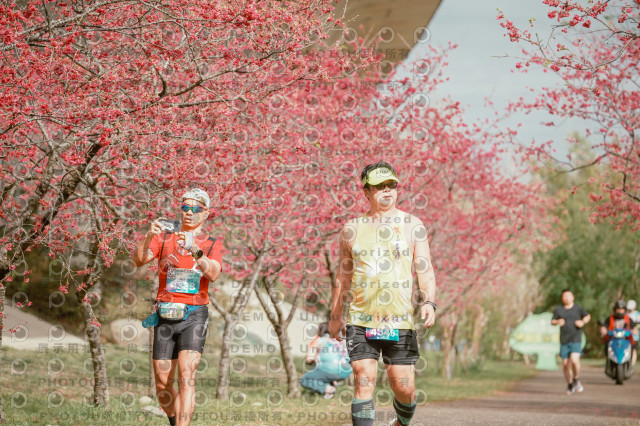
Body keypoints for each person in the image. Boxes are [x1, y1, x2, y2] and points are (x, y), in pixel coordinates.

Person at [329, 161, 437, 426]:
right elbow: (343, 276)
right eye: (380, 186)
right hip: (360, 319)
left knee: (404, 388)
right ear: (366, 191)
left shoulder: (412, 225)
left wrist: (429, 300)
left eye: (391, 185)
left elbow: (424, 268)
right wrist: (335, 316)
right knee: (363, 379)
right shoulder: (352, 229)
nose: (387, 190)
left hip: (398, 321)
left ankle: (401, 422)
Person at [133, 188, 223, 426]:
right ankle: (174, 420)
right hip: (165, 314)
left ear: (206, 213)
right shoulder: (164, 238)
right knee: (162, 384)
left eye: (196, 209)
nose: (189, 213)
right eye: (185, 207)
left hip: (194, 315)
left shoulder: (211, 243)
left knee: (187, 376)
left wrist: (195, 250)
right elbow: (138, 260)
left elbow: (213, 273)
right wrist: (147, 236)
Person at [551, 289, 590, 395]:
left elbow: (587, 316)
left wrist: (582, 322)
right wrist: (557, 321)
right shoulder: (559, 310)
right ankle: (570, 384)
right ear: (562, 298)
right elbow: (552, 321)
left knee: (574, 360)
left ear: (573, 297)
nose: (566, 298)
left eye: (568, 296)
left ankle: (576, 379)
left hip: (576, 339)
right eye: (564, 296)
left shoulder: (578, 308)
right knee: (565, 364)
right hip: (564, 340)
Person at [300, 322, 353, 398]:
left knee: (304, 379)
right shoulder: (337, 341)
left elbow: (309, 358)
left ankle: (328, 389)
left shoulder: (318, 340)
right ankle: (329, 389)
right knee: (323, 372)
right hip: (346, 371)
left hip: (330, 369)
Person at [599, 300, 637, 368]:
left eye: (621, 309)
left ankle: (631, 365)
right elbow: (604, 326)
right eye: (618, 309)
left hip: (625, 339)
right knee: (607, 344)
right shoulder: (610, 318)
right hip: (613, 339)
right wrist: (603, 329)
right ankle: (609, 362)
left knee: (633, 347)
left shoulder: (628, 319)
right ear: (615, 310)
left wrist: (635, 330)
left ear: (624, 310)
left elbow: (634, 327)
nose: (620, 311)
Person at [627, 300, 639, 367]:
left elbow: (638, 325)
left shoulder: (638, 314)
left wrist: (636, 328)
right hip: (626, 336)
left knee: (633, 350)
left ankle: (632, 365)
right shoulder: (626, 314)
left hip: (634, 337)